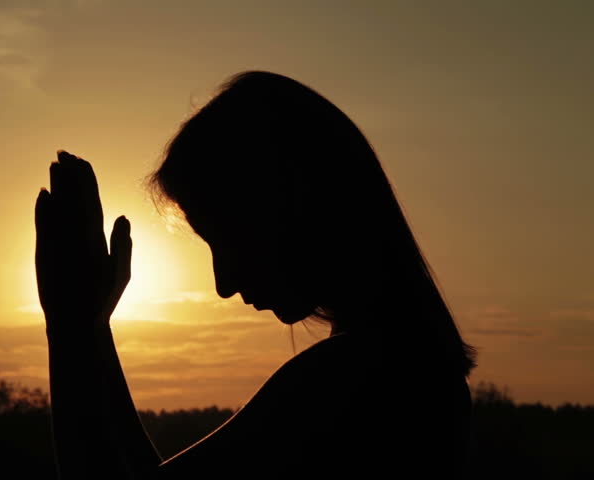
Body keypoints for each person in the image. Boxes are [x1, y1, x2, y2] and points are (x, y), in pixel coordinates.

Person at [34, 70, 477, 479]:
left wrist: (70, 328)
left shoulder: (358, 380)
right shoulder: (404, 368)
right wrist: (90, 329)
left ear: (291, 207)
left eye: (227, 238)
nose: (224, 284)